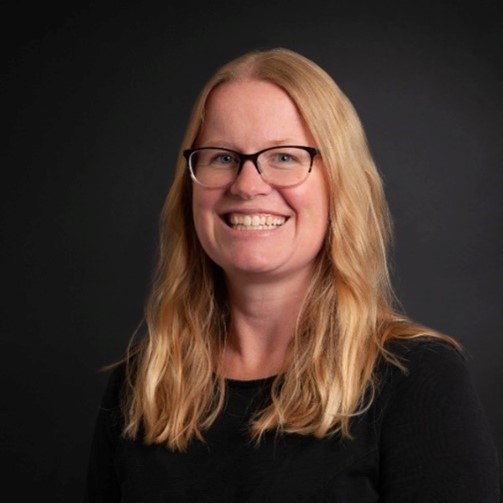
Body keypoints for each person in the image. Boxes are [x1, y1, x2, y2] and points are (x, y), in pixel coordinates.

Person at [85, 47, 499, 502]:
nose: (246, 185)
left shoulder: (417, 379)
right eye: (222, 157)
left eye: (283, 157)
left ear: (339, 184)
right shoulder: (142, 383)